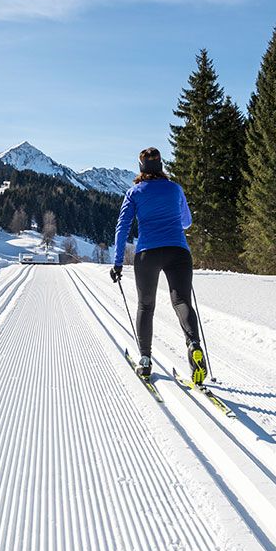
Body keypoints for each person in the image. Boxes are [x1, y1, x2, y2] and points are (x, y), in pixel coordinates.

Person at [110, 147, 207, 383]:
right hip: (179, 251)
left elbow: (122, 228)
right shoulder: (175, 189)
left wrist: (117, 262)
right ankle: (194, 343)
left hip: (147, 254)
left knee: (146, 306)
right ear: (161, 165)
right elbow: (186, 222)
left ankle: (144, 359)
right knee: (182, 301)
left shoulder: (134, 192)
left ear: (141, 167)